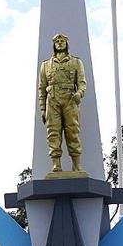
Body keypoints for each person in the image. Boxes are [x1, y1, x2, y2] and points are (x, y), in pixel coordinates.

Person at [37, 33, 87, 173]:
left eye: (62, 41)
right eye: (57, 41)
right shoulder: (46, 65)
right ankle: (56, 165)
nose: (59, 43)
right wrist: (42, 108)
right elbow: (41, 88)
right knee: (53, 133)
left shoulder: (76, 62)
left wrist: (79, 94)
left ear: (67, 43)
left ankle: (76, 166)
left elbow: (82, 83)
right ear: (54, 44)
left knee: (73, 132)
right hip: (52, 101)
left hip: (70, 100)